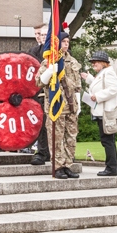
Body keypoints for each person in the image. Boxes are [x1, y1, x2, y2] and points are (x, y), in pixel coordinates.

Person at [36, 32, 82, 179]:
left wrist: (78, 102)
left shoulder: (73, 61)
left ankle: (68, 165)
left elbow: (77, 86)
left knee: (71, 137)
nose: (66, 44)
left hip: (71, 105)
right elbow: (39, 82)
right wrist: (50, 71)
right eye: (63, 42)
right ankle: (58, 166)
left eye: (68, 41)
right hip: (56, 106)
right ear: (57, 43)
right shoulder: (48, 61)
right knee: (56, 137)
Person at [81, 51, 117, 176]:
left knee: (108, 140)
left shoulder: (108, 73)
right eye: (92, 62)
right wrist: (89, 79)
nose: (93, 64)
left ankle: (111, 168)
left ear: (103, 63)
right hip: (101, 111)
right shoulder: (102, 73)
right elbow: (101, 86)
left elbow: (113, 89)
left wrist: (97, 97)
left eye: (95, 62)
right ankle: (111, 167)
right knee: (107, 140)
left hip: (106, 112)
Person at [28, 23, 50, 165]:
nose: (42, 37)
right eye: (40, 35)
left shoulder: (58, 52)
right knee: (41, 123)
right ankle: (42, 152)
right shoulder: (33, 50)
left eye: (44, 35)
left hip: (53, 92)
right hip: (39, 92)